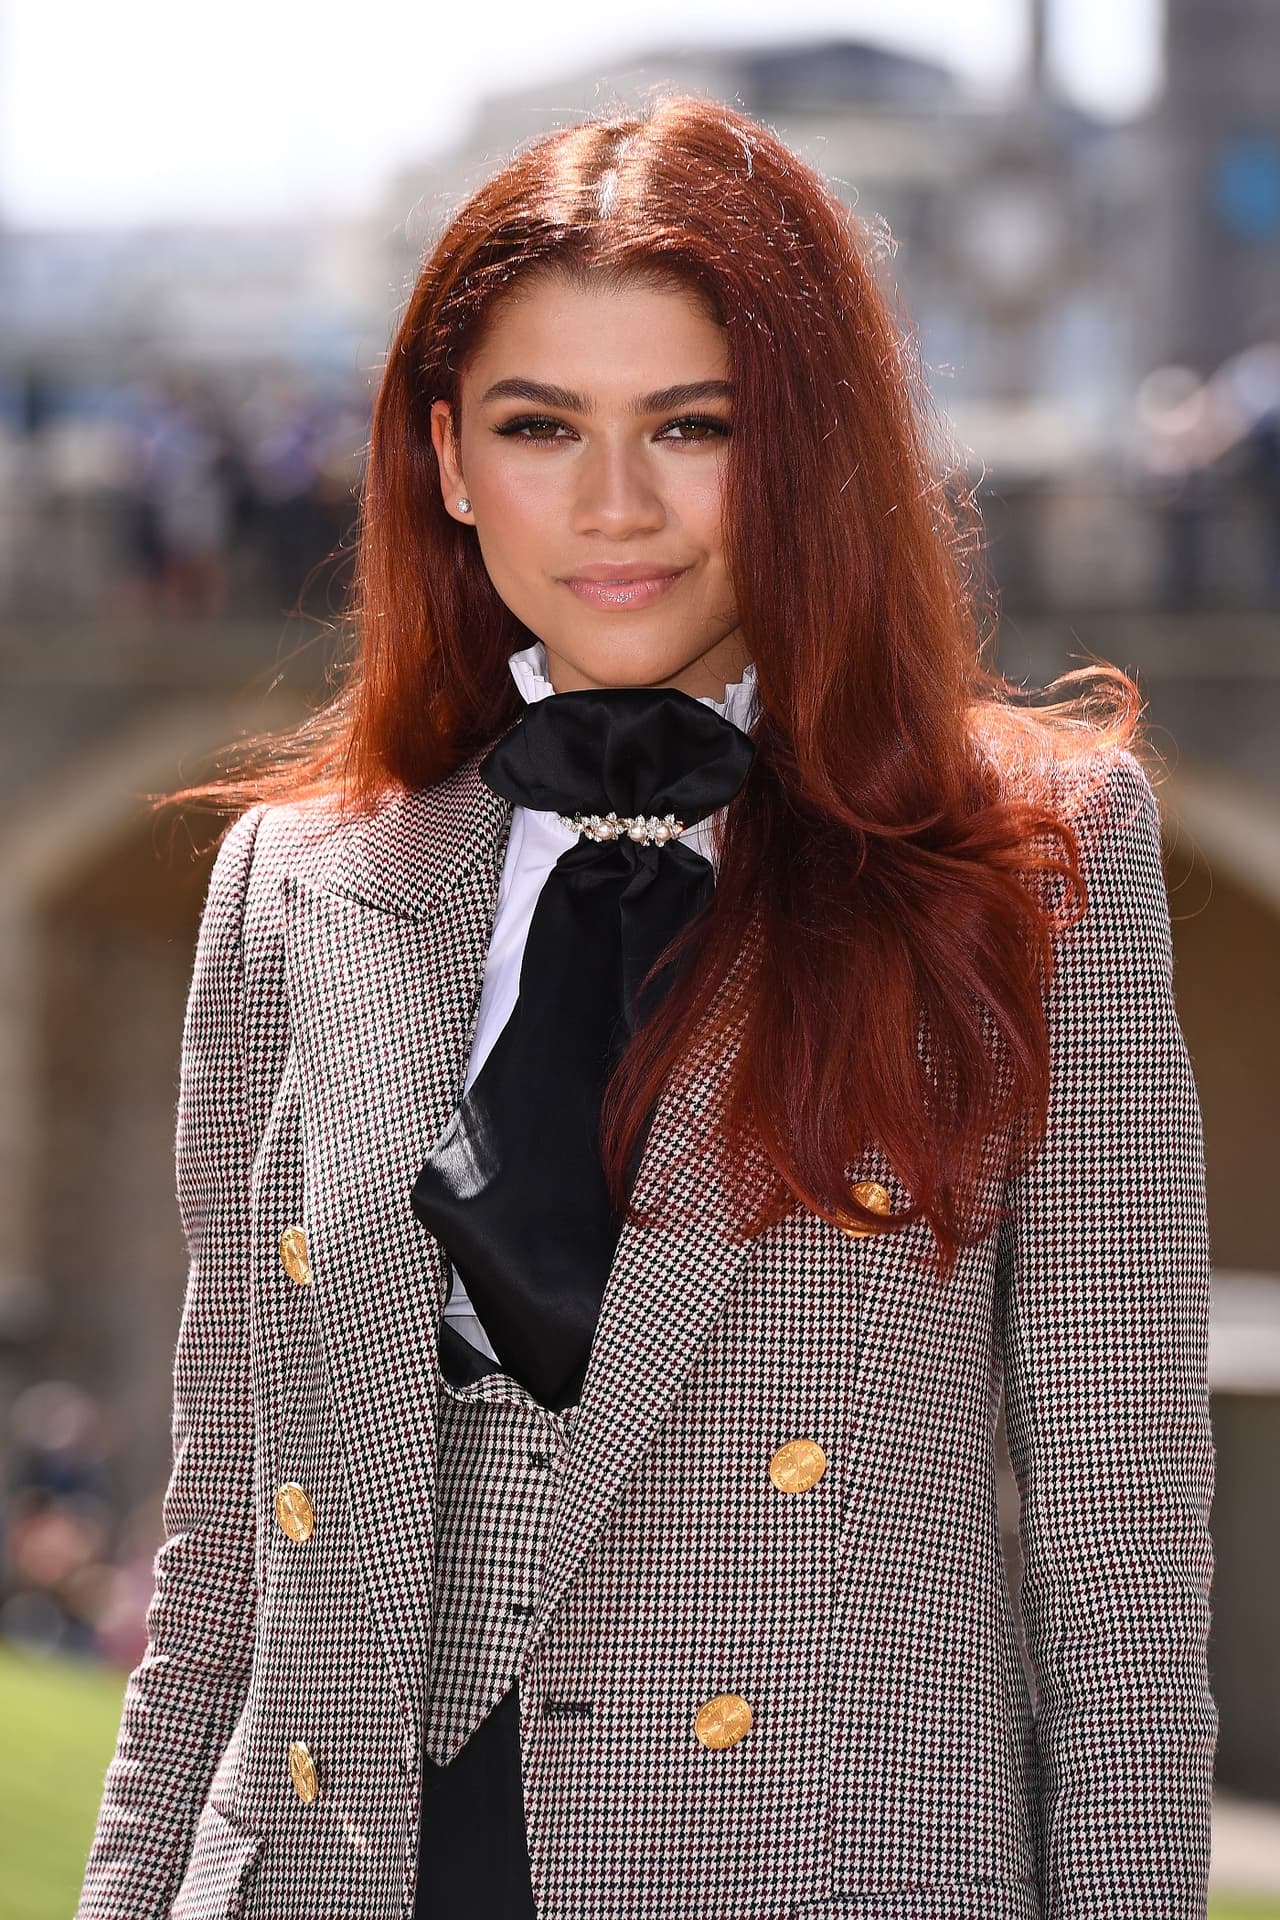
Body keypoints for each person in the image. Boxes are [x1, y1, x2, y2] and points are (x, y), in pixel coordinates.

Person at [76, 94, 1216, 1920]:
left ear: (819, 456)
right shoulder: (295, 882)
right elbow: (228, 1527)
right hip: (344, 1872)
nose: (617, 506)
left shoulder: (1038, 860)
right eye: (543, 429)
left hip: (815, 1873)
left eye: (697, 428)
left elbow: (1115, 1528)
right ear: (448, 461)